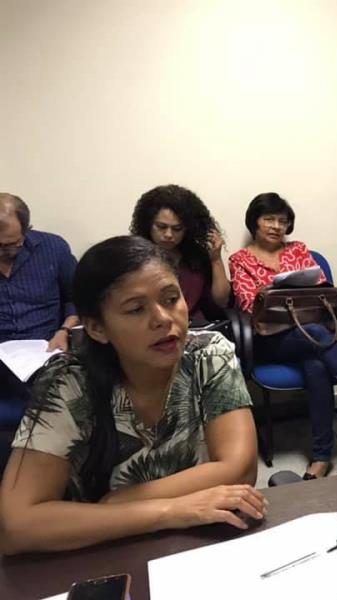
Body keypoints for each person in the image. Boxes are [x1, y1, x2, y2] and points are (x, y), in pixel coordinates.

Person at [0, 236, 263, 555]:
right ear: (97, 328)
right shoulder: (68, 384)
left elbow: (240, 468)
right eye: (136, 309)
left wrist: (122, 501)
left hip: (196, 543)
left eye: (171, 299)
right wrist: (169, 511)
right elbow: (16, 525)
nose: (163, 319)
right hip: (101, 554)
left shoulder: (208, 354)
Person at [229, 193, 337, 479]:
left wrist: (285, 295)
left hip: (307, 338)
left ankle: (321, 458)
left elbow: (321, 290)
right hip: (267, 339)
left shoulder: (298, 250)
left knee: (317, 364)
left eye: (282, 221)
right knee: (316, 335)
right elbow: (247, 304)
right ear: (255, 222)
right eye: (269, 219)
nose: (276, 226)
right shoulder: (240, 259)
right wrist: (280, 293)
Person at [0, 194, 80, 435]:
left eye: (9, 245)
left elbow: (77, 298)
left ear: (27, 231)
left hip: (47, 350)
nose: (1, 252)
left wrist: (65, 330)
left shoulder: (53, 248)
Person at [130, 185, 231, 323]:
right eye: (161, 227)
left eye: (177, 229)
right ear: (148, 224)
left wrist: (216, 259)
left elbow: (222, 301)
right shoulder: (135, 258)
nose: (168, 234)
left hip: (195, 328)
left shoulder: (196, 256)